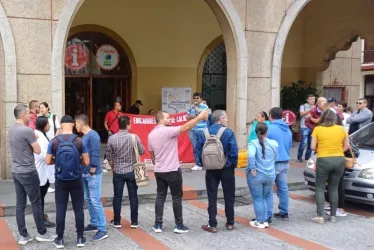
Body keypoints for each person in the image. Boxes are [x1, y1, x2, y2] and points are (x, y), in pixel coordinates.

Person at [148, 109, 209, 234]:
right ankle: (179, 225)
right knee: (176, 198)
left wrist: (158, 163)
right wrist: (200, 117)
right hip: (172, 170)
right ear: (160, 120)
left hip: (159, 170)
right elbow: (186, 127)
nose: (170, 119)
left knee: (160, 197)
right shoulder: (167, 131)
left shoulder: (151, 134)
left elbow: (152, 153)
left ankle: (158, 225)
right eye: (167, 118)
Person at [8, 104, 55, 246]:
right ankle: (42, 232)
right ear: (22, 115)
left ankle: (23, 235)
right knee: (36, 203)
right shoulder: (27, 131)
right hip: (28, 171)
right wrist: (32, 138)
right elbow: (37, 149)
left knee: (20, 204)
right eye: (28, 114)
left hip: (16, 171)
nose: (30, 116)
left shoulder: (11, 130)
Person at [46, 115, 90, 248]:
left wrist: (57, 161)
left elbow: (47, 161)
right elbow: (87, 162)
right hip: (76, 178)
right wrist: (77, 163)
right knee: (78, 208)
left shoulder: (54, 141)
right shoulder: (79, 141)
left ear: (61, 124)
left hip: (60, 179)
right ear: (72, 124)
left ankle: (59, 239)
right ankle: (80, 238)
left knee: (60, 208)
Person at [196, 110, 238, 233]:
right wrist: (231, 165)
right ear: (221, 119)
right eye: (226, 118)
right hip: (226, 169)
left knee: (212, 196)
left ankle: (212, 224)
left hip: (210, 169)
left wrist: (203, 164)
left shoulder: (203, 133)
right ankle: (230, 223)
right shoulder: (228, 132)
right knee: (229, 196)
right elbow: (234, 151)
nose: (227, 120)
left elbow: (198, 151)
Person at [106, 116, 145, 229]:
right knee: (133, 196)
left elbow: (108, 156)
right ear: (128, 125)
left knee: (117, 197)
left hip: (118, 171)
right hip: (132, 171)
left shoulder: (112, 139)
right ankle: (134, 221)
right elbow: (142, 151)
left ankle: (117, 221)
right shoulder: (134, 137)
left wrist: (113, 167)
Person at [311, 110, 349, 224]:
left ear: (322, 118)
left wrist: (323, 150)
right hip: (339, 159)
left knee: (320, 188)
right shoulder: (341, 129)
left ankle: (320, 216)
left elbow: (313, 146)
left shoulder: (318, 129)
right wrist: (337, 152)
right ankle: (333, 216)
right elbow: (346, 146)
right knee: (334, 188)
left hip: (323, 159)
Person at [75, 114, 108, 241]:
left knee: (95, 200)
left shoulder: (93, 135)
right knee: (89, 198)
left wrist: (93, 170)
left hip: (91, 173)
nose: (75, 126)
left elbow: (95, 152)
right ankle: (94, 223)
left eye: (76, 123)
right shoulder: (85, 136)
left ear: (80, 123)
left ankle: (102, 229)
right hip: (85, 172)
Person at [247, 123, 278, 228]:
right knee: (264, 197)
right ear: (267, 131)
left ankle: (260, 221)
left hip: (257, 175)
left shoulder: (253, 143)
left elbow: (251, 155)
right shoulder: (274, 143)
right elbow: (276, 158)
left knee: (258, 198)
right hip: (270, 174)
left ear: (256, 132)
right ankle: (265, 220)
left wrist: (252, 168)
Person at [265, 107, 292, 222]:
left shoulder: (269, 128)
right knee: (283, 188)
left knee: (267, 189)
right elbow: (289, 145)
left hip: (273, 163)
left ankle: (267, 214)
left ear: (270, 116)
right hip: (285, 161)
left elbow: (264, 146)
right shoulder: (288, 129)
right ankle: (284, 212)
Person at [34, 116, 56, 228]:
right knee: (40, 197)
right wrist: (53, 157)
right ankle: (41, 220)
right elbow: (42, 154)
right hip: (40, 170)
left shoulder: (41, 135)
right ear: (44, 125)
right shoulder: (39, 137)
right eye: (48, 124)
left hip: (43, 171)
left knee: (41, 196)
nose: (50, 126)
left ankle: (41, 216)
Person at [39, 102, 60, 193]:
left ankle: (52, 181)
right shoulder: (40, 118)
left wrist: (55, 138)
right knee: (45, 162)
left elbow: (58, 129)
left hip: (52, 142)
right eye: (40, 108)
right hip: (44, 142)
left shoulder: (54, 117)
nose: (41, 109)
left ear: (47, 108)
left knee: (52, 162)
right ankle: (46, 183)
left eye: (43, 107)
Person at [186, 92, 209, 171]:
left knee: (204, 147)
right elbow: (187, 117)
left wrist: (198, 111)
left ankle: (205, 164)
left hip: (202, 130)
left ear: (201, 99)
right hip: (193, 130)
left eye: (197, 98)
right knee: (195, 147)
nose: (196, 100)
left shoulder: (205, 106)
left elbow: (206, 118)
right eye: (195, 98)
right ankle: (198, 164)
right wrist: (192, 116)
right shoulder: (191, 107)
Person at [103, 102, 124, 169]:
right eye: (119, 105)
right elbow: (105, 122)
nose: (120, 106)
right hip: (111, 132)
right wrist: (108, 130)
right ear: (115, 107)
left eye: (120, 105)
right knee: (109, 147)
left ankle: (117, 160)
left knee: (119, 147)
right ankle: (106, 160)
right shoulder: (109, 113)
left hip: (119, 133)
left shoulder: (121, 114)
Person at [296, 94, 315, 163]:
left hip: (312, 126)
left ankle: (308, 157)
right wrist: (310, 110)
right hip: (304, 126)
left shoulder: (316, 107)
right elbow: (301, 114)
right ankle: (299, 157)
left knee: (310, 143)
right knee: (303, 142)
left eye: (313, 99)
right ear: (307, 100)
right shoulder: (303, 106)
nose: (312, 100)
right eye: (311, 99)